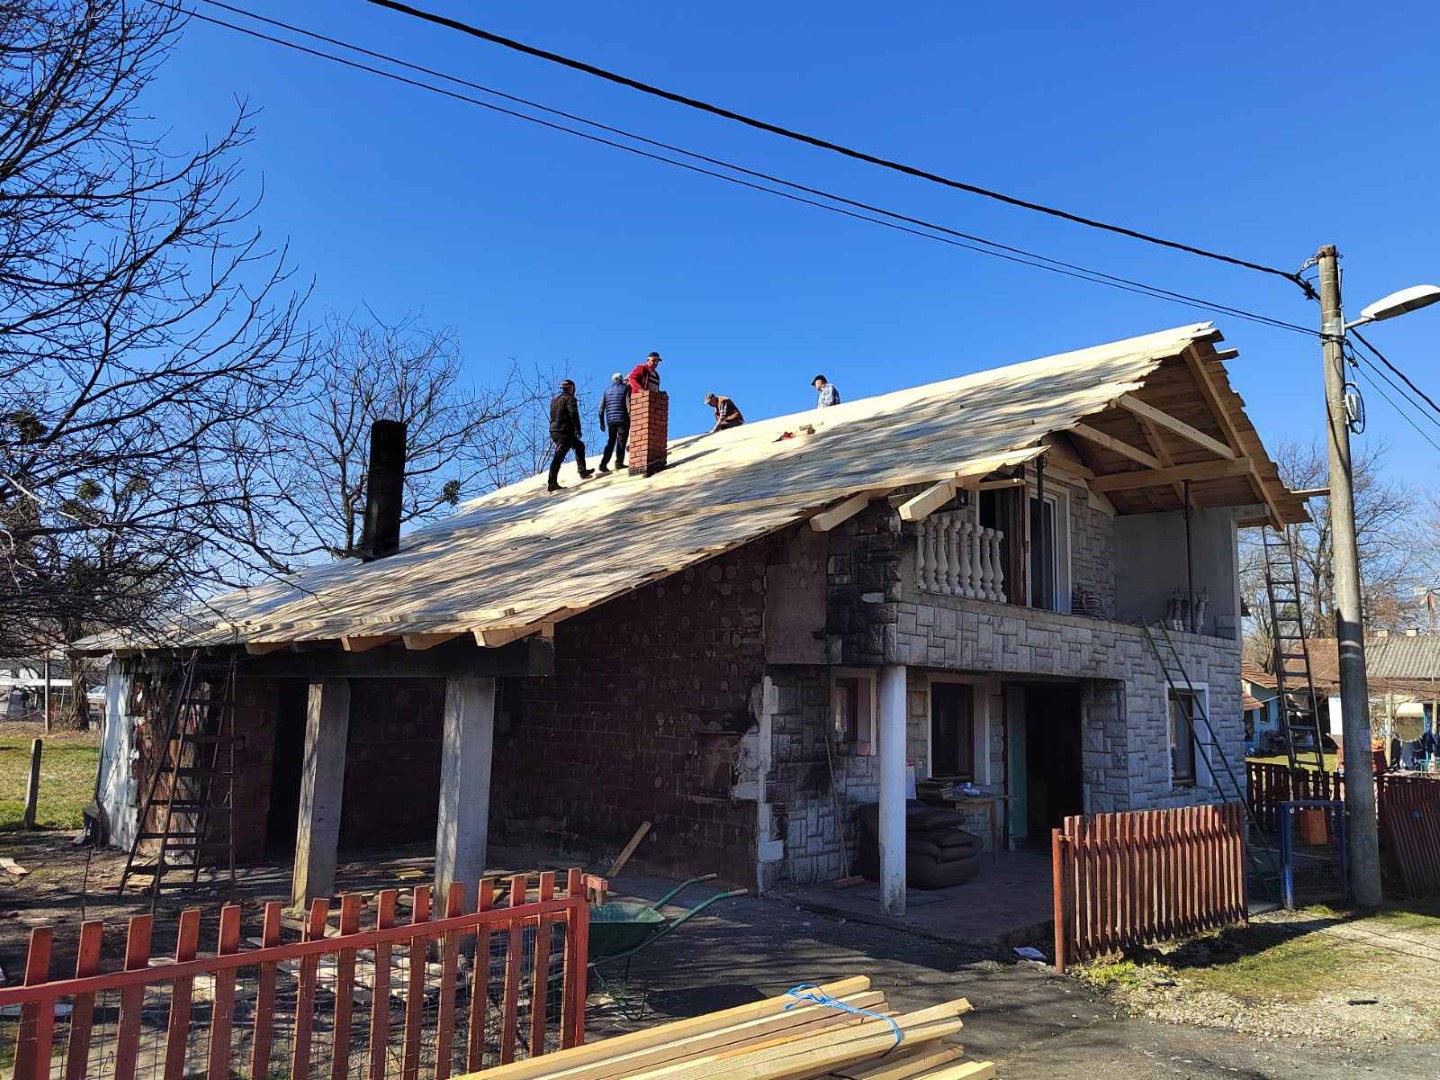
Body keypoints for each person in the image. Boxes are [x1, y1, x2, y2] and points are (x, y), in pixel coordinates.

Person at [547, 379, 593, 492]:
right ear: (572, 387)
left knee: (579, 446)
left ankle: (583, 472)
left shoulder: (555, 400)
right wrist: (578, 429)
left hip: (556, 430)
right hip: (563, 432)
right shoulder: (569, 399)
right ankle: (552, 483)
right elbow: (573, 414)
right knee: (558, 456)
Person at [597, 372, 630, 473]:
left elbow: (600, 408)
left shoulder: (606, 391)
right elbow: (628, 404)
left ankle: (603, 464)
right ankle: (619, 463)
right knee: (621, 441)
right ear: (620, 379)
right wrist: (632, 417)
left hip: (610, 421)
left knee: (611, 442)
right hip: (623, 419)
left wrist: (602, 422)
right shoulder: (625, 389)